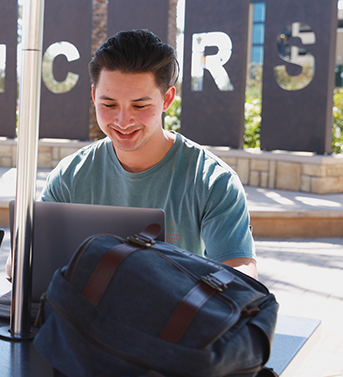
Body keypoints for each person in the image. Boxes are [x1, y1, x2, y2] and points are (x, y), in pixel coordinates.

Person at [40, 29, 257, 279]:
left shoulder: (212, 181)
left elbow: (241, 272)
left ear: (167, 99)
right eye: (108, 104)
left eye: (140, 106)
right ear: (93, 96)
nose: (122, 121)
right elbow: (26, 260)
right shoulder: (71, 174)